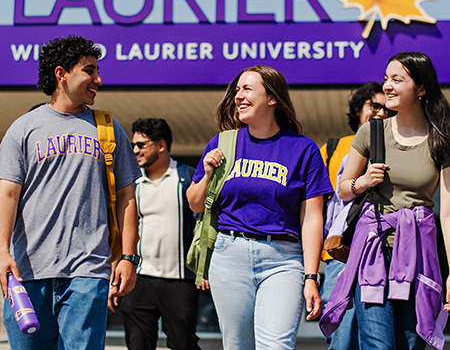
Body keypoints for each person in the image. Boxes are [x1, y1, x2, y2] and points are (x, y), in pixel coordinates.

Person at [0, 35, 141, 350]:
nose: (98, 79)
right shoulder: (23, 129)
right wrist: (1, 251)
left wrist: (129, 257)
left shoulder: (107, 128)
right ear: (61, 74)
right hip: (27, 272)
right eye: (89, 70)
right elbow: (6, 195)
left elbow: (128, 196)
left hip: (88, 271)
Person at [187, 65, 333, 350]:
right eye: (237, 90)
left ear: (272, 98)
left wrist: (311, 277)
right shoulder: (223, 143)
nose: (238, 96)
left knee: (276, 345)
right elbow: (195, 203)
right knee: (237, 346)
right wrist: (206, 174)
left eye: (248, 89)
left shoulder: (303, 149)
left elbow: (313, 219)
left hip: (283, 260)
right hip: (229, 257)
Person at [320, 52, 450, 350]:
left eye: (397, 79)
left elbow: (448, 215)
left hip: (419, 254)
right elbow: (342, 189)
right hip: (373, 251)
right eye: (386, 78)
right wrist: (363, 182)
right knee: (378, 345)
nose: (387, 86)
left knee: (410, 343)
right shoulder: (372, 131)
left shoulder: (440, 138)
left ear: (421, 88)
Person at [114, 118, 200, 350]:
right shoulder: (131, 183)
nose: (135, 151)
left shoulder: (187, 177)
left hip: (180, 281)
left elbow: (203, 227)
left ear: (161, 145)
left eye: (142, 145)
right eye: (134, 145)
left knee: (184, 344)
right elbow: (119, 229)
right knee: (138, 345)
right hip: (138, 279)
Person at [320, 82, 389, 350]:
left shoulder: (396, 144)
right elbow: (317, 208)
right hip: (342, 255)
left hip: (384, 253)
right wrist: (311, 271)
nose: (381, 113)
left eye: (387, 108)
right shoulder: (333, 149)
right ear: (358, 110)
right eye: (374, 106)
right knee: (342, 338)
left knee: (378, 339)